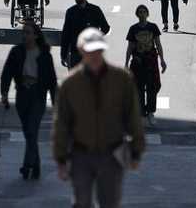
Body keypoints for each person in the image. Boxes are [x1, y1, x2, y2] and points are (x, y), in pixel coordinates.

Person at [52, 28, 145, 208]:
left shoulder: (122, 79)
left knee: (110, 202)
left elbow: (133, 116)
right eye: (89, 51)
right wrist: (61, 158)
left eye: (98, 50)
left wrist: (136, 150)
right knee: (82, 202)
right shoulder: (70, 84)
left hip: (112, 153)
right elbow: (62, 123)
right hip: (80, 154)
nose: (94, 55)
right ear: (81, 51)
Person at [1, 22, 58, 180]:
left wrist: (55, 103)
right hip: (22, 95)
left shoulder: (44, 54)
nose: (25, 36)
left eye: (28, 33)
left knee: (32, 131)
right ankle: (35, 164)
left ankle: (28, 166)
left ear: (36, 35)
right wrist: (4, 93)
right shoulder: (16, 52)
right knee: (28, 132)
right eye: (23, 33)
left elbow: (52, 80)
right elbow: (7, 73)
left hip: (38, 95)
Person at [125, 5, 167, 127]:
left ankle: (150, 112)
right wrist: (126, 63)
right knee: (138, 88)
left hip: (151, 61)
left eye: (144, 12)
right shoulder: (133, 29)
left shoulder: (153, 27)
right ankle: (141, 113)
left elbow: (158, 44)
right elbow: (130, 47)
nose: (142, 14)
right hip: (138, 62)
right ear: (137, 14)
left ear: (147, 14)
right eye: (140, 12)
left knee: (152, 87)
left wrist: (162, 60)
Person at [61, 0, 111, 69]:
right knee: (76, 81)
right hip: (75, 53)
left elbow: (106, 28)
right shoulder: (71, 12)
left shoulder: (95, 10)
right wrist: (63, 54)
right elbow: (66, 34)